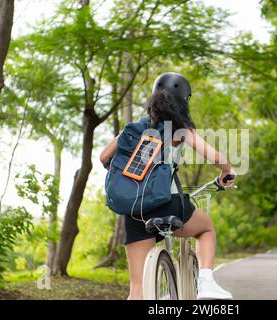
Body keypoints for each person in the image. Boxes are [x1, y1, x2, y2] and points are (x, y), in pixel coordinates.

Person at [100, 72, 236, 300]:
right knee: (207, 228)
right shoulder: (179, 128)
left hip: (134, 212)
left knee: (137, 290)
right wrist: (227, 171)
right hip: (167, 203)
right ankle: (206, 283)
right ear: (184, 101)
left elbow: (104, 157)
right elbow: (212, 155)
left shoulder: (133, 128)